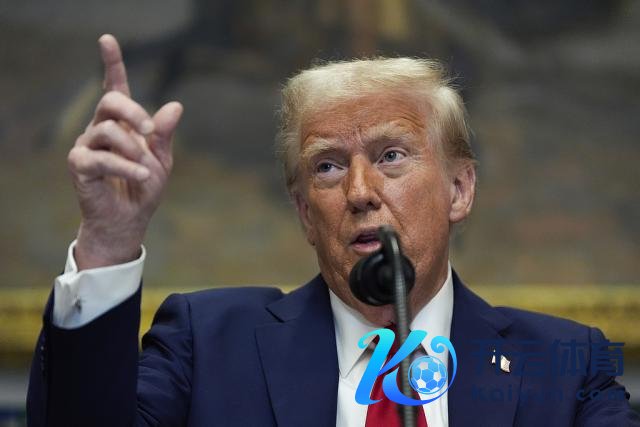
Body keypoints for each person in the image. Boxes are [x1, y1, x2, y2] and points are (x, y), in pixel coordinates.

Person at [27, 34, 639, 427]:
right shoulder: (207, 344)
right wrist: (108, 240)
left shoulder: (564, 369)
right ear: (304, 213)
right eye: (327, 166)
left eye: (392, 156)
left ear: (459, 190)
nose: (360, 191)